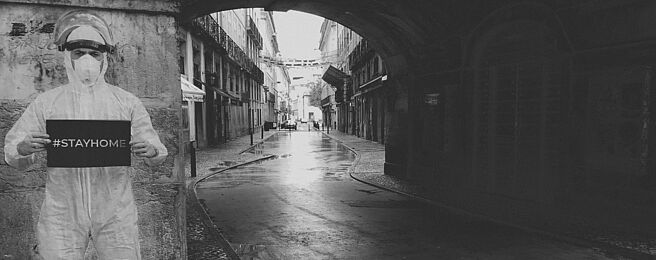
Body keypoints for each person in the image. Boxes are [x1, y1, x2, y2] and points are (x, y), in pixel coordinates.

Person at [3, 10, 167, 259]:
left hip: (115, 210)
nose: (87, 60)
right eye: (79, 53)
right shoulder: (47, 103)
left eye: (94, 53)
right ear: (68, 57)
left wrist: (151, 150)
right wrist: (22, 149)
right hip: (62, 211)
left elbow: (158, 150)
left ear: (104, 58)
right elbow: (13, 150)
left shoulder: (126, 102)